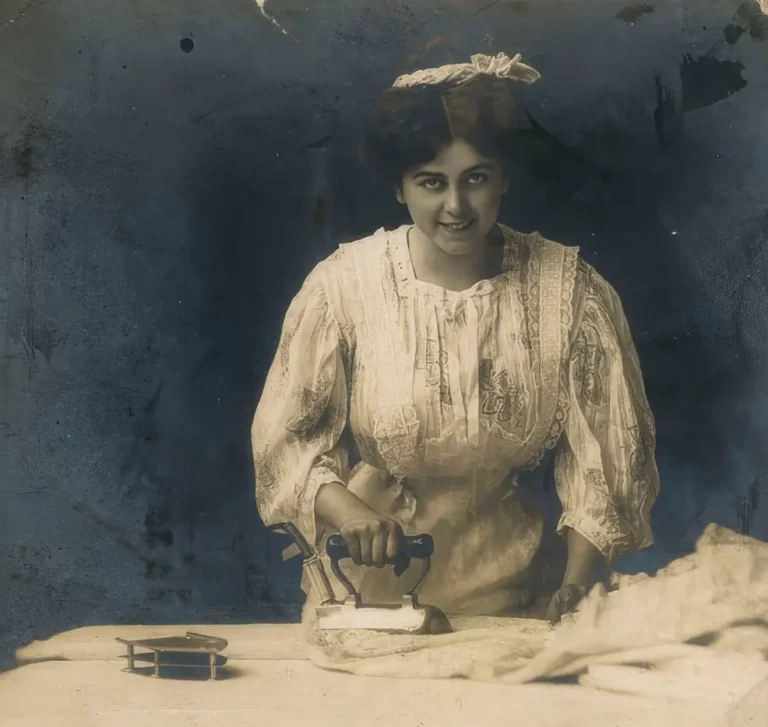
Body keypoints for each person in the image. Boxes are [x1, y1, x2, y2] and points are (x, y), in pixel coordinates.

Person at [251, 52, 659, 623]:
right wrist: (349, 515)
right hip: (372, 586)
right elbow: (286, 442)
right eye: (430, 183)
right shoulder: (344, 286)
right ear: (400, 189)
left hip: (520, 586)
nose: (455, 207)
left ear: (503, 178)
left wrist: (575, 586)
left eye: (476, 179)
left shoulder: (569, 292)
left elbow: (605, 458)